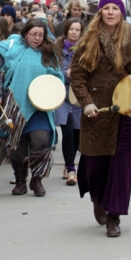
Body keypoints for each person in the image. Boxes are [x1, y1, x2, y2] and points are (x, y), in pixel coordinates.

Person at [69, 0, 131, 237]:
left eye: (115, 8)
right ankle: (98, 198)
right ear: (100, 12)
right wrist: (87, 103)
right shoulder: (88, 40)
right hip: (98, 111)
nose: (110, 12)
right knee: (97, 165)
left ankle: (114, 216)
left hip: (127, 109)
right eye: (106, 8)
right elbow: (78, 78)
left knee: (122, 165)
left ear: (121, 12)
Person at [0, 19, 64, 196]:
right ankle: (20, 181)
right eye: (33, 34)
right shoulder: (11, 46)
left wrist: (53, 93)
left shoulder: (49, 52)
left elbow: (56, 77)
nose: (37, 38)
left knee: (41, 140)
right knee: (18, 147)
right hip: (16, 105)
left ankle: (36, 180)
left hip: (40, 106)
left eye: (41, 35)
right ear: (25, 33)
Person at [54, 18, 84, 186]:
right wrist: (66, 73)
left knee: (77, 134)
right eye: (71, 29)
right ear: (66, 30)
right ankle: (71, 169)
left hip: (78, 97)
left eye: (77, 29)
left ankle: (68, 164)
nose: (74, 32)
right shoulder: (56, 48)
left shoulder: (85, 49)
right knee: (68, 132)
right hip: (62, 96)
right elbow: (51, 68)